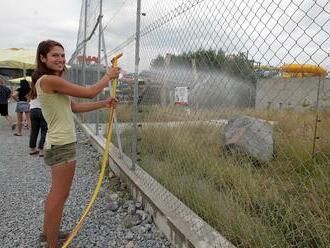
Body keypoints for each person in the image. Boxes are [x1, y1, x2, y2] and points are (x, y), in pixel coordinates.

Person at [31, 40, 119, 248]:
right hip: (61, 145)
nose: (60, 59)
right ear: (43, 58)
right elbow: (89, 92)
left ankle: (48, 234)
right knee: (59, 196)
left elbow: (74, 107)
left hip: (59, 143)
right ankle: (52, 244)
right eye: (54, 55)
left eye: (62, 55)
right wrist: (108, 76)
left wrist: (104, 104)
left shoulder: (51, 81)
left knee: (58, 194)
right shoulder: (49, 80)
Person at [28, 90, 48, 157]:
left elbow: (29, 101)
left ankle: (32, 149)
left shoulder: (31, 91)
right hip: (42, 110)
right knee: (44, 130)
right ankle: (41, 150)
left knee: (34, 131)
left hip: (32, 110)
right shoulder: (43, 89)